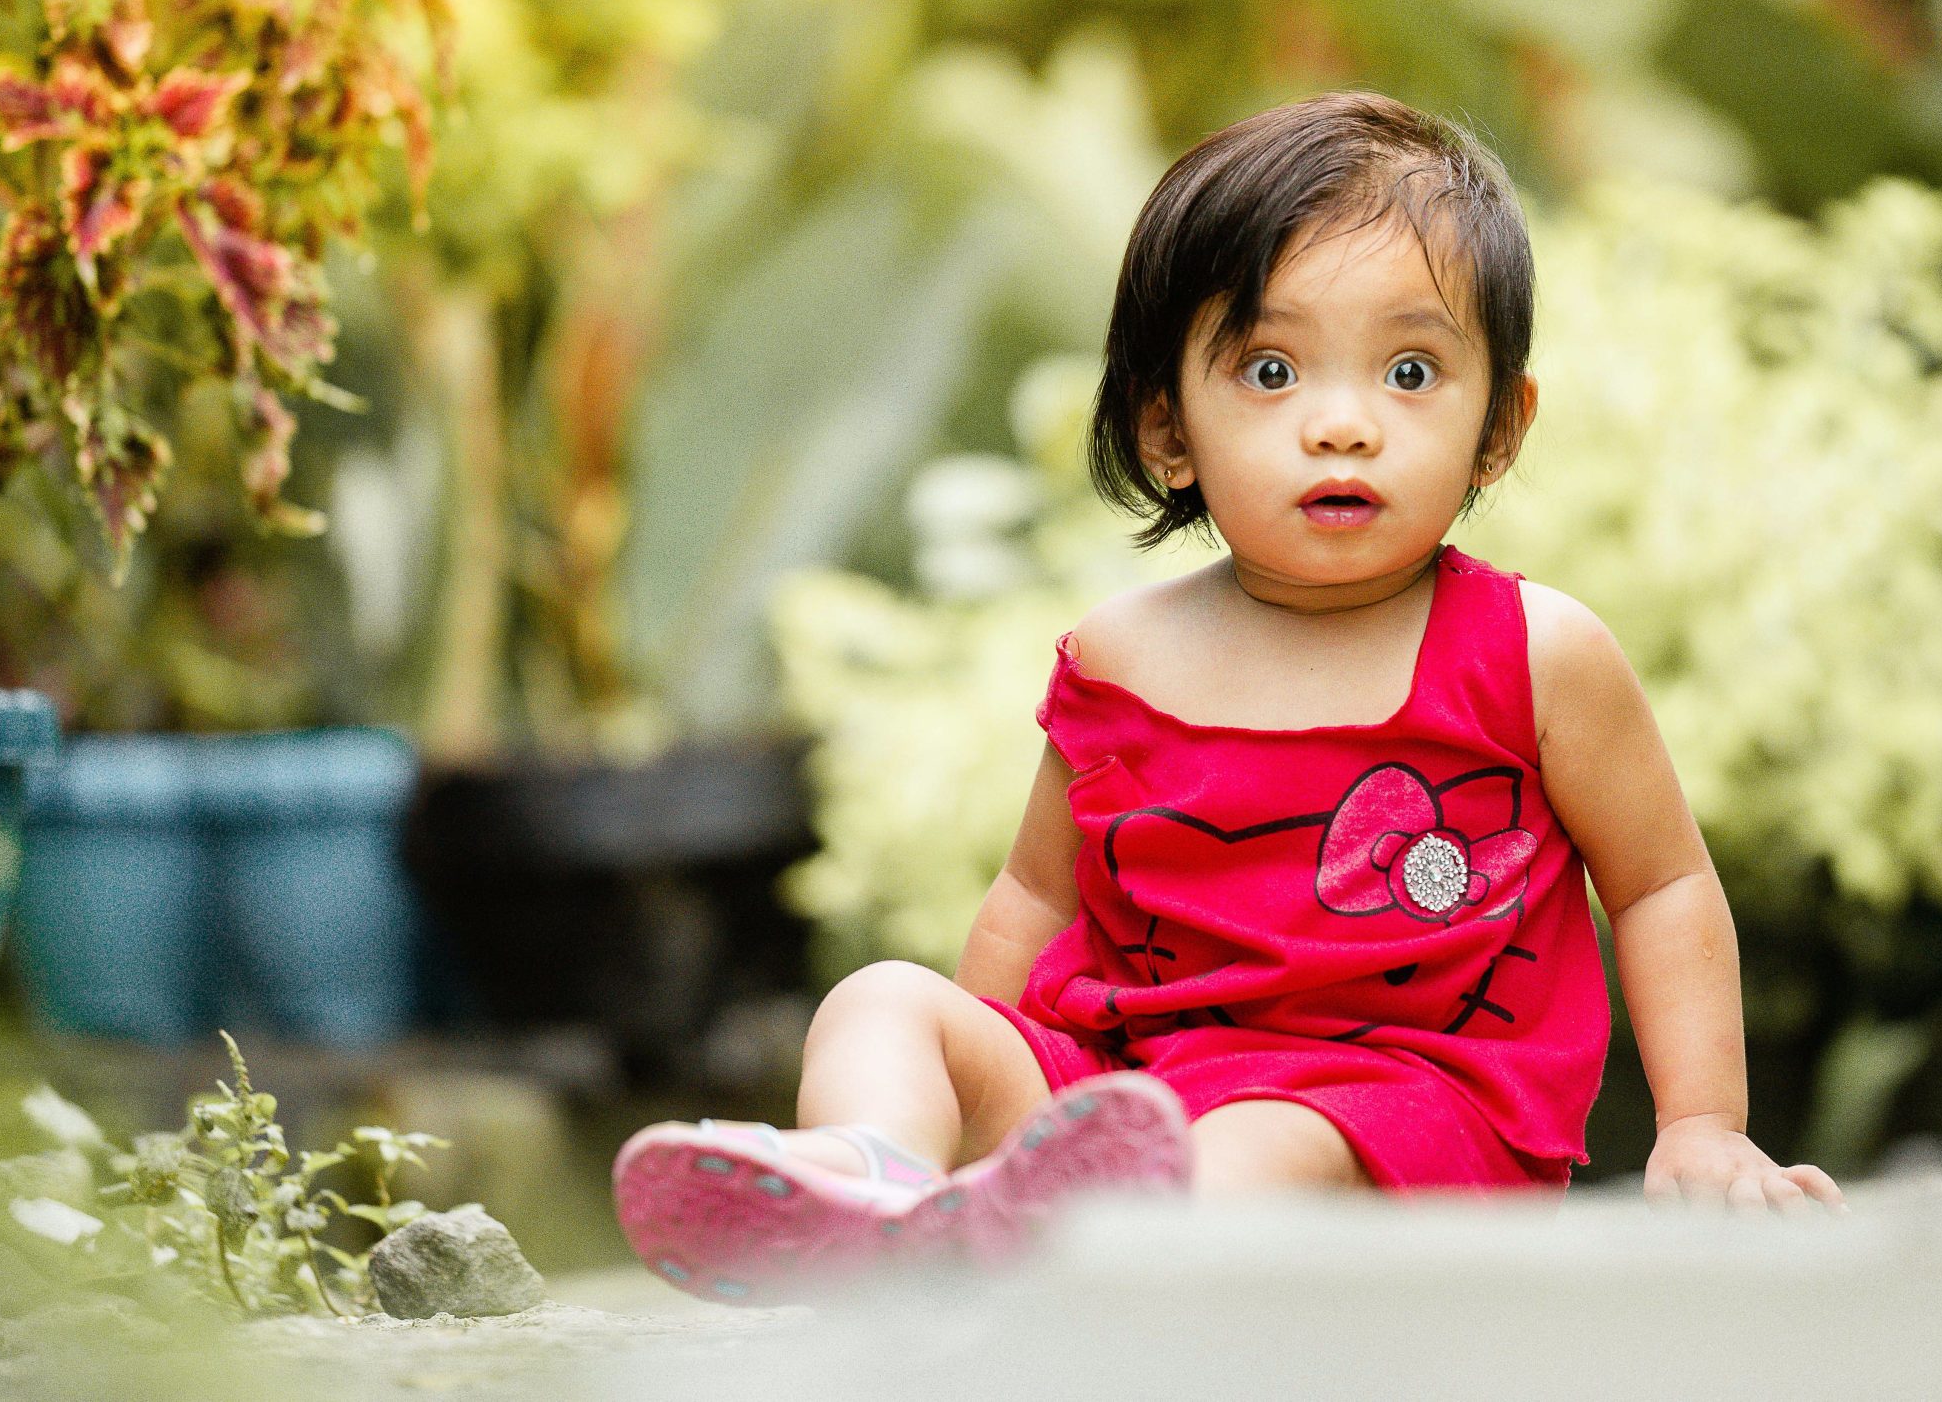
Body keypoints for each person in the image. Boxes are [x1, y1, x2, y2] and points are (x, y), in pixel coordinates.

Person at [613, 90, 1846, 1305]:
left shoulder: (1534, 655)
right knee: (880, 1003)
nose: (1342, 426)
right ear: (1169, 434)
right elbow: (1037, 894)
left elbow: (1660, 881)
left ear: (1499, 430)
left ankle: (1087, 1252)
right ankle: (880, 1185)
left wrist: (1701, 1125)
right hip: (1126, 1098)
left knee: (1261, 1140)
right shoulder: (1118, 663)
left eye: (1410, 371)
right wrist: (985, 1074)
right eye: (1270, 370)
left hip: (1401, 1127)